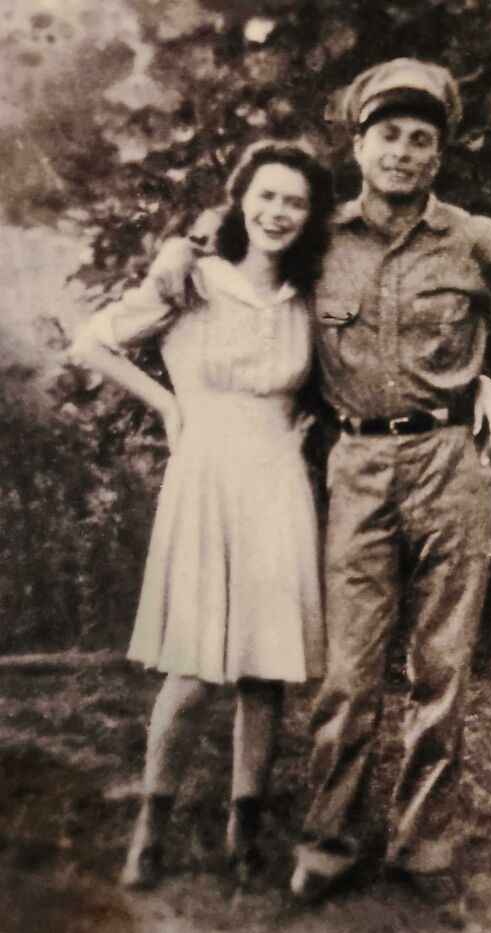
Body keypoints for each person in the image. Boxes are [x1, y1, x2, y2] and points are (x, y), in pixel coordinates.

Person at [148, 58, 491, 923]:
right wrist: (182, 242)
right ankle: (329, 840)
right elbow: (245, 238)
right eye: (389, 134)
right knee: (348, 673)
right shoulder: (320, 236)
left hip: (451, 464)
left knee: (440, 667)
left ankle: (423, 842)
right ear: (359, 143)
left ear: (439, 155)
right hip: (354, 466)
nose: (404, 152)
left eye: (423, 139)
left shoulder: (472, 237)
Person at [69, 140, 334, 890]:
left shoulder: (307, 294)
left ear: (310, 216)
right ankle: (151, 825)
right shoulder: (192, 278)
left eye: (295, 202)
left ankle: (242, 827)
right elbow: (93, 341)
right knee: (194, 666)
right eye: (267, 195)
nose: (278, 212)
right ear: (241, 199)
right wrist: (168, 406)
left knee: (265, 672)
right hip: (207, 476)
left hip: (278, 479)